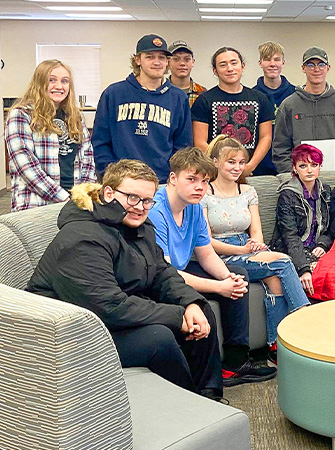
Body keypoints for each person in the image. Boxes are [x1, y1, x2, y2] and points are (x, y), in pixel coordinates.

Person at [27, 159, 222, 399]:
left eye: (147, 200)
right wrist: (175, 316)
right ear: (109, 193)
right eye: (132, 197)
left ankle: (208, 396)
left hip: (111, 314)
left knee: (200, 310)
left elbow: (161, 271)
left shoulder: (138, 225)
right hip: (72, 334)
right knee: (158, 338)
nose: (140, 207)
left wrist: (190, 303)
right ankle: (190, 405)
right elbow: (109, 306)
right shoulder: (82, 237)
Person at [148, 147, 275, 386]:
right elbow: (166, 273)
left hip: (180, 270)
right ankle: (204, 384)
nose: (199, 187)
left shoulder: (194, 206)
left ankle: (235, 364)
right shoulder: (156, 211)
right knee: (215, 292)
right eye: (192, 179)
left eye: (205, 181)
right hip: (160, 277)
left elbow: (206, 255)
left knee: (238, 274)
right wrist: (219, 287)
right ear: (173, 179)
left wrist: (228, 279)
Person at [201, 134, 310, 363]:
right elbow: (206, 241)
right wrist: (243, 251)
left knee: (275, 279)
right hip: (221, 254)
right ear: (215, 161)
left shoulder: (248, 192)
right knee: (282, 262)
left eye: (241, 162)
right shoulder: (204, 194)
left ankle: (275, 347)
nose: (237, 168)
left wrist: (257, 245)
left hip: (248, 247)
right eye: (231, 162)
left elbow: (256, 230)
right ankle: (306, 321)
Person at [92, 34, 192, 183]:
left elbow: (183, 147)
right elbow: (100, 141)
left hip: (161, 182)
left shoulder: (178, 98)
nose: (157, 62)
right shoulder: (113, 94)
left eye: (162, 58)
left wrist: (172, 177)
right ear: (138, 60)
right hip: (120, 182)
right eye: (150, 57)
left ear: (167, 62)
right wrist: (110, 173)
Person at [5, 59, 96, 212]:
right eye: (51, 80)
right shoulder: (21, 115)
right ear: (40, 83)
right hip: (37, 205)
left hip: (76, 204)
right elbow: (27, 169)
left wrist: (84, 195)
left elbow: (87, 159)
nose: (59, 86)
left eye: (65, 81)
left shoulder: (75, 117)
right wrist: (65, 199)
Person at [192, 47, 276, 177]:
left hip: (253, 173)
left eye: (234, 63)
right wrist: (222, 167)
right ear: (215, 71)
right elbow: (200, 142)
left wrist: (249, 166)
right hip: (216, 174)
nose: (229, 68)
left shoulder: (260, 99)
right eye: (223, 65)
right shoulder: (204, 101)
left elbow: (266, 137)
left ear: (242, 66)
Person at [272, 46, 335, 173]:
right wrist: (294, 173)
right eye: (311, 65)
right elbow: (280, 149)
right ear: (303, 68)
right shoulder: (288, 105)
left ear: (328, 68)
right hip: (299, 179)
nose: (316, 69)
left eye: (321, 64)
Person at [270, 144, 332, 296]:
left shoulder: (326, 191)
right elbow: (289, 237)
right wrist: (303, 268)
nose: (309, 170)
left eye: (314, 165)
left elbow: (331, 228)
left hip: (316, 248)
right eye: (303, 166)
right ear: (295, 168)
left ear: (320, 167)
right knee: (318, 273)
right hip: (290, 249)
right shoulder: (287, 195)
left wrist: (323, 244)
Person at [253, 41, 296, 112]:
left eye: (277, 60)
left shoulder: (295, 94)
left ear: (283, 63)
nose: (272, 64)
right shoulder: (252, 96)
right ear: (260, 63)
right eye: (267, 59)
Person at [167, 40, 206, 107]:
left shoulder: (202, 93)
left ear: (193, 62)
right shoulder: (159, 91)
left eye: (187, 59)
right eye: (176, 59)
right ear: (167, 62)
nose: (182, 63)